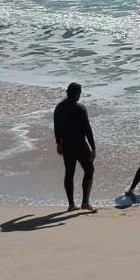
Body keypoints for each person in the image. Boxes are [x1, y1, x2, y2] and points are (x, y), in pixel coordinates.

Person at [54, 82, 96, 212]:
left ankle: (71, 205)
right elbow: (87, 129)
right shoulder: (80, 109)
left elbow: (56, 127)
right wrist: (93, 147)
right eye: (79, 93)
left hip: (67, 145)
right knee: (89, 170)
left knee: (69, 173)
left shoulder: (59, 107)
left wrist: (58, 143)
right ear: (77, 93)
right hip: (80, 145)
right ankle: (85, 202)